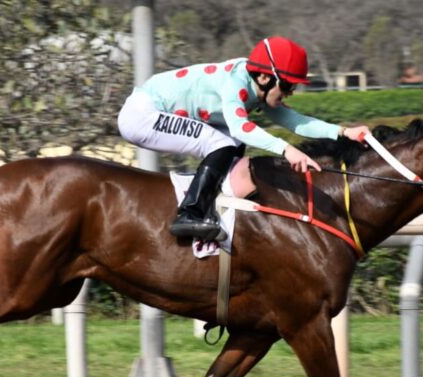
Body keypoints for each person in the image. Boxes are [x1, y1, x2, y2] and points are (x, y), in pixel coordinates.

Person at [118, 36, 370, 242]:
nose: (291, 93)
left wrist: (344, 132)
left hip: (154, 112)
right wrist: (287, 150)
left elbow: (296, 122)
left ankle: (217, 205)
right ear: (265, 78)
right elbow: (240, 127)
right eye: (287, 86)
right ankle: (189, 214)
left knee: (233, 144)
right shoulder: (235, 83)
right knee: (224, 142)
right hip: (143, 115)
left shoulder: (259, 86)